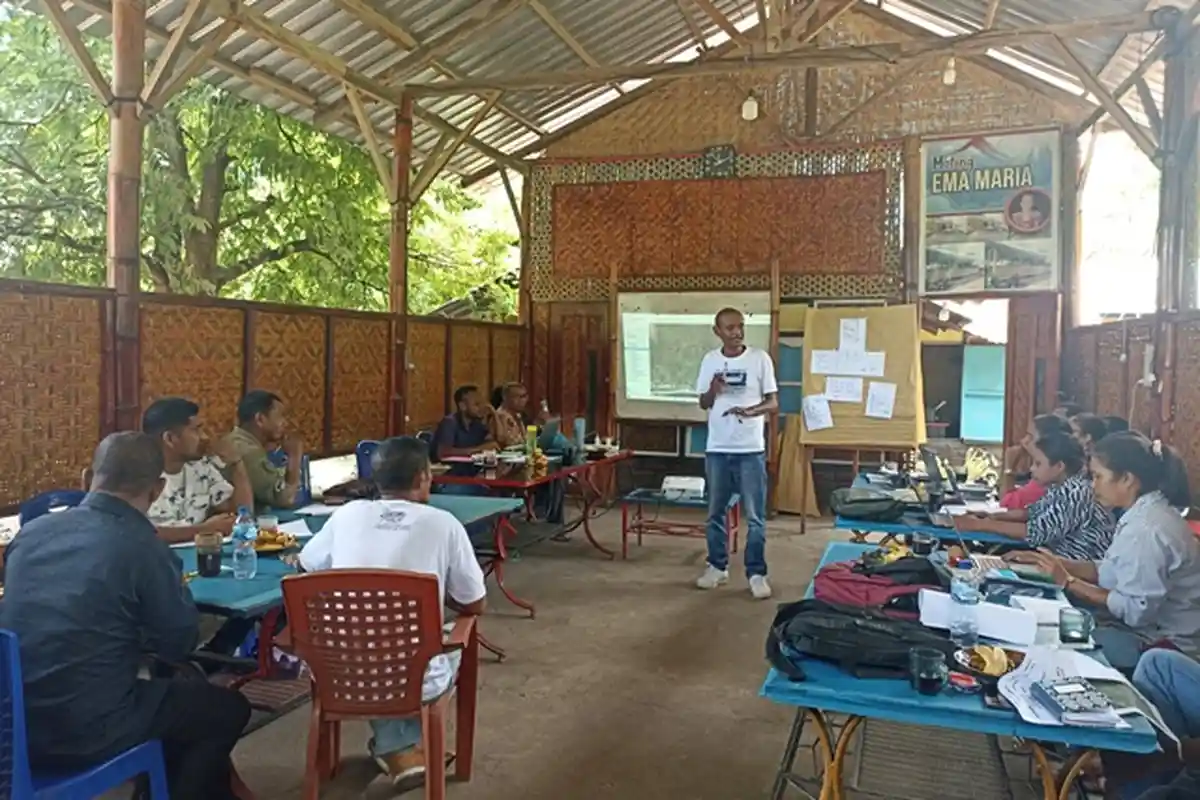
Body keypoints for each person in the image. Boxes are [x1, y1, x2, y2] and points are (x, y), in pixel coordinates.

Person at [0, 432, 251, 800]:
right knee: (224, 709)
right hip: (87, 730)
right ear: (159, 489)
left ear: (88, 477)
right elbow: (177, 643)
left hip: (12, 727)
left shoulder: (31, 535)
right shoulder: (143, 545)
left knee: (173, 703)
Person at [297, 436, 486, 788]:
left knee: (372, 639)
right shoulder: (444, 524)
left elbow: (308, 567)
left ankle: (400, 747)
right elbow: (475, 603)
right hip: (414, 680)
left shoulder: (347, 514)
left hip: (336, 674)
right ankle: (400, 746)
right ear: (422, 477)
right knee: (450, 636)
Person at [1011, 433, 1200, 670]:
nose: (1093, 485)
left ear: (1127, 479)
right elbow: (1111, 570)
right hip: (1137, 630)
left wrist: (1068, 582)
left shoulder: (1146, 530)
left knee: (1049, 643)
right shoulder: (1143, 514)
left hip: (1161, 648)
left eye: (1098, 476)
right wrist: (1055, 563)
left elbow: (1134, 610)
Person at [693, 307, 778, 600]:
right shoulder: (710, 360)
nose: (737, 332)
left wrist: (750, 411)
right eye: (729, 328)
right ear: (717, 331)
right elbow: (703, 403)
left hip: (750, 449)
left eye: (740, 326)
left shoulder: (759, 359)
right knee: (715, 513)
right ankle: (717, 567)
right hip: (718, 448)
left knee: (755, 517)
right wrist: (713, 389)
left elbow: (773, 402)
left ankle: (756, 573)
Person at [956, 433, 1114, 561]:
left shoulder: (1078, 492)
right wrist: (991, 516)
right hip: (1055, 562)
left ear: (1059, 466)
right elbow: (1031, 512)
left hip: (1076, 571)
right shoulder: (1059, 487)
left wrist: (979, 525)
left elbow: (1034, 531)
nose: (1032, 469)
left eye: (1038, 464)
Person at [142, 397, 253, 545]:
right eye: (196, 430)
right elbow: (139, 533)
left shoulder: (201, 467)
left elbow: (242, 515)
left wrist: (237, 464)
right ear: (170, 438)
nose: (204, 437)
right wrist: (204, 529)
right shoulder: (138, 475)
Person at [224, 389, 304, 510]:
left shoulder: (237, 441)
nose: (285, 423)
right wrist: (294, 457)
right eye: (279, 416)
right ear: (260, 419)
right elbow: (285, 498)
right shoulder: (248, 451)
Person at [1001, 413, 1074, 508]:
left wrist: (1009, 468)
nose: (1024, 441)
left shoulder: (1048, 477)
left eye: (1031, 436)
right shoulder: (1042, 470)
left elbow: (1006, 503)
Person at [434, 385, 496, 461]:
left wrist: (494, 413)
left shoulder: (477, 423)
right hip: (452, 470)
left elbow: (494, 441)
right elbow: (443, 453)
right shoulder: (449, 422)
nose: (482, 408)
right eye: (477, 404)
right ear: (462, 406)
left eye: (482, 404)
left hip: (471, 468)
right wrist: (479, 449)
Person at [490, 382, 530, 449]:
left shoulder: (518, 415)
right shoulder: (499, 416)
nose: (523, 400)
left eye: (524, 396)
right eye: (518, 397)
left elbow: (524, 440)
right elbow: (504, 442)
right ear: (505, 398)